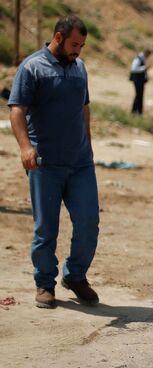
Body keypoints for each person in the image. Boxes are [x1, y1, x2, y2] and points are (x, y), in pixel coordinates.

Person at [8, 15, 100, 308]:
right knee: (46, 229)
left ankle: (75, 276)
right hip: (45, 164)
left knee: (88, 223)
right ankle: (44, 284)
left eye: (82, 45)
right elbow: (17, 111)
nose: (78, 51)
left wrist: (89, 143)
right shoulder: (32, 67)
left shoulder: (80, 68)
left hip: (80, 163)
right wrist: (25, 147)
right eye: (74, 44)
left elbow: (84, 108)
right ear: (58, 37)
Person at [129, 49, 151, 114]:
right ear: (146, 53)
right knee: (138, 96)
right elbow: (134, 69)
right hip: (137, 80)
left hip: (140, 80)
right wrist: (144, 68)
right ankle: (135, 111)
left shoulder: (141, 58)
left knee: (139, 96)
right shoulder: (138, 59)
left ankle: (137, 111)